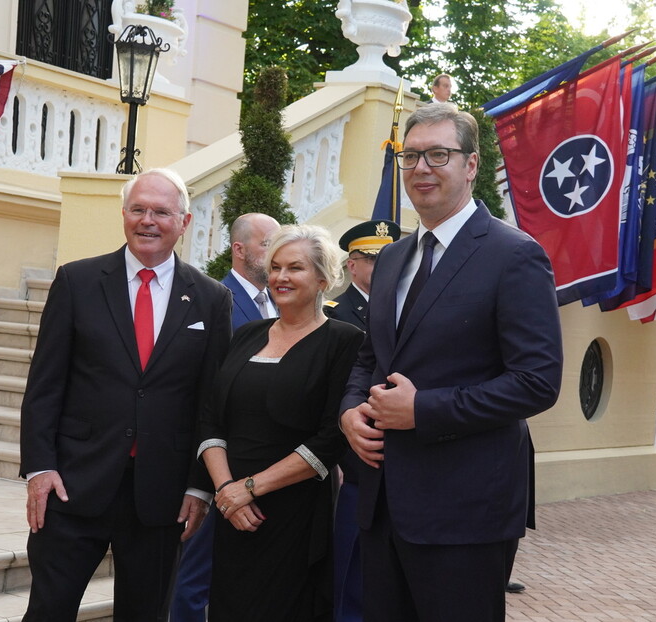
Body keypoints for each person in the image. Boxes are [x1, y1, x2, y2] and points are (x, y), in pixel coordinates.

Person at [339, 102, 563, 621]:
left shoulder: (514, 255)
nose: (421, 169)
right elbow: (370, 357)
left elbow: (536, 382)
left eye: (439, 154)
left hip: (466, 510)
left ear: (471, 165)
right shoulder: (393, 257)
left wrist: (424, 410)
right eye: (411, 157)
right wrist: (350, 410)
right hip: (383, 500)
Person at [19, 169, 232, 621]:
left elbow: (209, 402)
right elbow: (44, 385)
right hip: (73, 486)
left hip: (163, 496)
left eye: (160, 211)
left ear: (184, 221)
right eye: (138, 209)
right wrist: (40, 468)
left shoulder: (211, 299)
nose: (147, 221)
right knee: (47, 611)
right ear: (123, 216)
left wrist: (199, 484)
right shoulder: (77, 282)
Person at [200, 224, 364, 621]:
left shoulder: (345, 341)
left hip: (295, 515)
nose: (281, 277)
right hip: (233, 513)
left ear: (324, 277)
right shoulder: (247, 335)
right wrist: (227, 491)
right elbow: (210, 417)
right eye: (275, 267)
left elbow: (332, 437)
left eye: (295, 268)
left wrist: (251, 489)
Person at [170, 212, 280, 622]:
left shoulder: (272, 302)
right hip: (222, 466)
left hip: (261, 463)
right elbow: (207, 394)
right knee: (193, 577)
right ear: (239, 249)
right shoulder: (218, 300)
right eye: (267, 244)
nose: (276, 254)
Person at [323, 219, 399, 622]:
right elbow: (332, 392)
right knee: (351, 572)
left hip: (401, 458)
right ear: (352, 265)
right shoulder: (336, 314)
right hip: (355, 461)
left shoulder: (404, 306)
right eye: (372, 259)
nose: (384, 264)